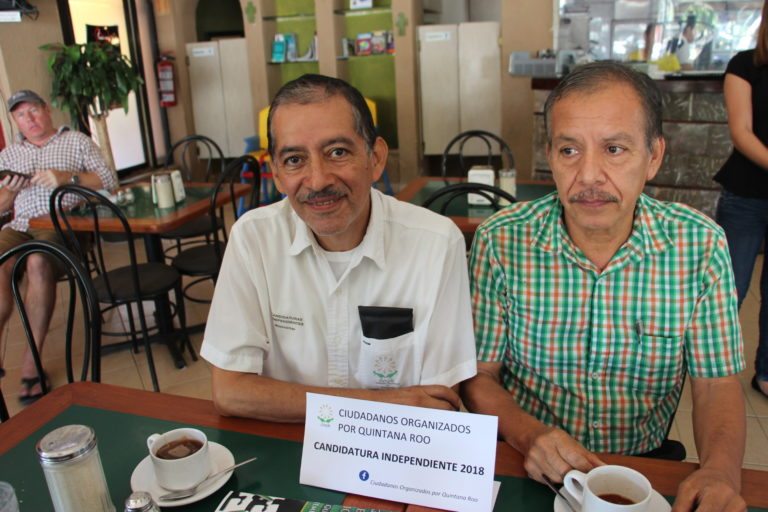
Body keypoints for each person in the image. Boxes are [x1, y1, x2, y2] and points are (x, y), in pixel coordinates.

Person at [463, 62, 746, 511]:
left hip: (640, 467)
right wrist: (529, 433)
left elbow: (717, 384)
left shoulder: (699, 244)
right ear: (550, 154)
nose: (589, 175)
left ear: (653, 156)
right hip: (526, 457)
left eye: (614, 149)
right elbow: (479, 375)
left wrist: (720, 470)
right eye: (569, 151)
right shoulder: (501, 240)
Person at [200, 74, 477, 422]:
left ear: (375, 158)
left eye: (337, 152)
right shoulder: (253, 239)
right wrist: (381, 404)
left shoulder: (436, 244)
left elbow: (438, 402)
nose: (318, 180)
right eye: (295, 160)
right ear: (277, 174)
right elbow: (230, 392)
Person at [0, 89, 117, 404]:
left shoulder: (76, 141)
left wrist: (67, 177)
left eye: (34, 110)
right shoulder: (9, 155)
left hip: (62, 224)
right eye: (22, 115)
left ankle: (32, 361)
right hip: (20, 225)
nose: (30, 119)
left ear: (47, 110)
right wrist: (9, 194)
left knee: (38, 261)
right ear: (14, 121)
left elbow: (108, 179)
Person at [714, 1, 768, 403]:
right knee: (728, 287)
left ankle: (765, 372)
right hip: (747, 193)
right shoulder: (745, 64)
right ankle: (707, 374)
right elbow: (742, 131)